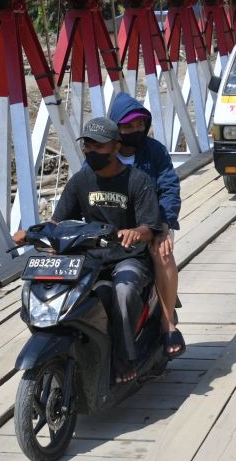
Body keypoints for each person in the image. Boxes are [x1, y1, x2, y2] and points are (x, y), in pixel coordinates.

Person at [13, 116, 159, 383]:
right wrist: (31, 234)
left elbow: (150, 227)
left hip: (127, 258)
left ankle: (124, 357)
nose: (92, 151)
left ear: (116, 146)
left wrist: (134, 233)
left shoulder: (138, 181)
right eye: (87, 146)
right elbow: (57, 222)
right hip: (89, 257)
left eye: (99, 146)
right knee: (65, 294)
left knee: (123, 293)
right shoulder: (81, 181)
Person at [107, 93, 184, 359]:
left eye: (139, 125)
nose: (134, 130)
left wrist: (162, 225)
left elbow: (169, 188)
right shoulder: (103, 152)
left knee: (161, 254)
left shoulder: (154, 151)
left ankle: (167, 323)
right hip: (115, 226)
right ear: (116, 128)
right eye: (127, 126)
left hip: (152, 221)